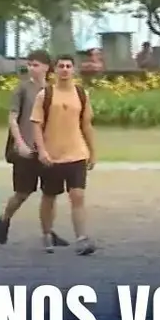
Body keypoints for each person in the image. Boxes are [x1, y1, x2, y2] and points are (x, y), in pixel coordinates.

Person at [0, 50, 69, 248]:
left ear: (46, 67)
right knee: (22, 192)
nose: (32, 68)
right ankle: (4, 218)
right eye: (30, 64)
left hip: (49, 149)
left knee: (50, 193)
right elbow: (13, 118)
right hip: (27, 148)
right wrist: (19, 143)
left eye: (36, 65)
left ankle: (47, 233)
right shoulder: (22, 89)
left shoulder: (53, 90)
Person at [30, 54, 97, 255]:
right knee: (49, 196)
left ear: (73, 69)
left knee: (77, 195)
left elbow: (86, 125)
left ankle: (81, 238)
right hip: (52, 156)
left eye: (68, 66)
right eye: (61, 66)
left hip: (76, 153)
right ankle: (46, 234)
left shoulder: (81, 94)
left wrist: (92, 151)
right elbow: (36, 125)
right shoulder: (45, 95)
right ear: (55, 70)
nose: (65, 69)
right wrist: (42, 150)